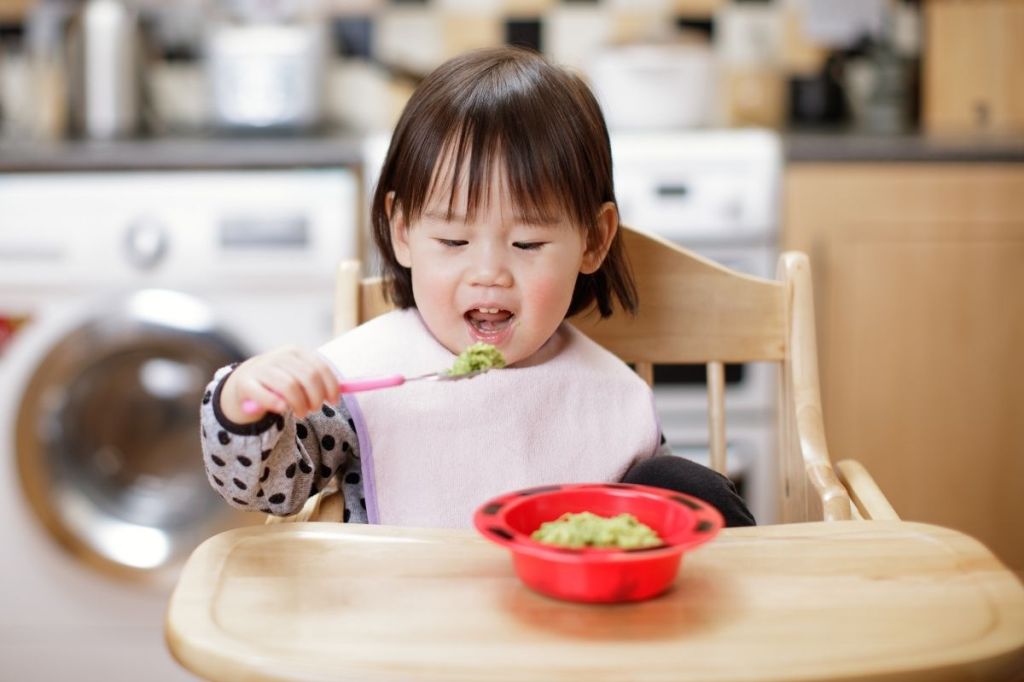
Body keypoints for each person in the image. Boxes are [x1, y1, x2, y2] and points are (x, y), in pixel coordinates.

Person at [200, 46, 755, 528]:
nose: (489, 272)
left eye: (528, 245)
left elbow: (644, 533)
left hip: (568, 640)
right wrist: (244, 401)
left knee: (684, 485)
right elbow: (264, 488)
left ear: (593, 240)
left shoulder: (608, 394)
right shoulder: (365, 380)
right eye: (453, 242)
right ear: (403, 233)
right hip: (404, 633)